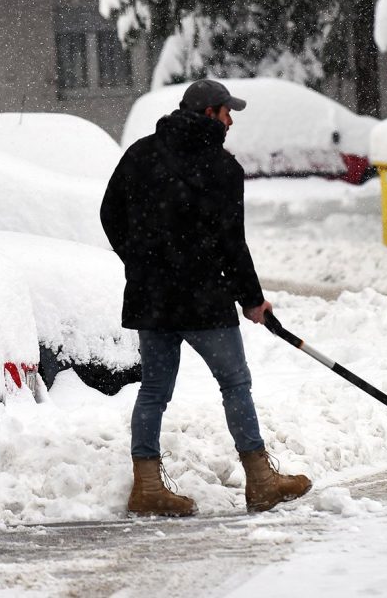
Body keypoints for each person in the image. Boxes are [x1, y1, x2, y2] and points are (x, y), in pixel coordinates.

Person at [100, 78, 312, 517]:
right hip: (203, 300)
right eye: (226, 112)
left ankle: (147, 487)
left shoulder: (140, 154)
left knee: (154, 390)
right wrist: (251, 300)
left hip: (152, 298)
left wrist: (139, 261)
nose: (231, 121)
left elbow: (109, 213)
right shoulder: (221, 168)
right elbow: (232, 243)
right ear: (210, 112)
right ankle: (260, 480)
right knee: (235, 384)